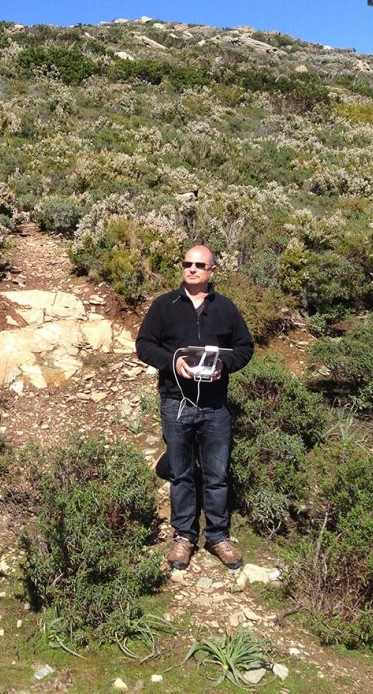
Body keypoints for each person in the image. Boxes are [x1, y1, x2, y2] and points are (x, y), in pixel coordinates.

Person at [136, 244, 254, 571]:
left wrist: (224, 365)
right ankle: (183, 538)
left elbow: (245, 347)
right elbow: (144, 344)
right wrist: (172, 362)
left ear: (212, 271)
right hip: (176, 403)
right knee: (182, 475)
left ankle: (218, 537)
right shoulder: (164, 306)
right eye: (187, 263)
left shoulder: (226, 308)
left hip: (215, 407)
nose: (192, 269)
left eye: (199, 265)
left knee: (216, 475)